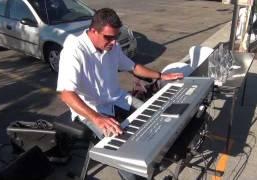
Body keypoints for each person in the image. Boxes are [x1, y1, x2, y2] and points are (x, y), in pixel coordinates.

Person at [56, 8, 183, 179]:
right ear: (93, 31)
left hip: (118, 99)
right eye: (108, 37)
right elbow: (65, 94)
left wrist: (161, 75)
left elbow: (133, 67)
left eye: (115, 37)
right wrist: (97, 118)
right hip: (92, 110)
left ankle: (151, 160)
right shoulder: (74, 51)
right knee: (124, 153)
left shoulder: (112, 47)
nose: (113, 42)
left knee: (157, 117)